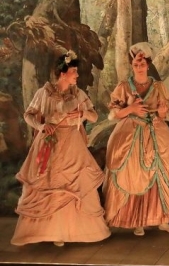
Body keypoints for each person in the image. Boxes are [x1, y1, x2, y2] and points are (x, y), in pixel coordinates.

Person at [11, 51, 110, 247]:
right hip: (50, 142)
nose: (77, 75)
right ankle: (50, 231)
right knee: (50, 183)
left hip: (72, 144)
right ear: (63, 73)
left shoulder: (78, 94)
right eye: (74, 71)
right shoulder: (44, 93)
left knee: (73, 184)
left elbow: (93, 116)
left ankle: (70, 231)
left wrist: (81, 113)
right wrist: (41, 126)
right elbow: (28, 115)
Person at [103, 42, 169, 236]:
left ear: (148, 65)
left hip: (155, 133)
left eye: (142, 64)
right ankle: (136, 220)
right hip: (131, 133)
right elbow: (114, 113)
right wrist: (131, 109)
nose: (139, 67)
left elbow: (165, 114)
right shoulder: (124, 87)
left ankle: (162, 219)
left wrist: (162, 112)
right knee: (133, 174)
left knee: (160, 172)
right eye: (136, 64)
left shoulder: (158, 86)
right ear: (132, 65)